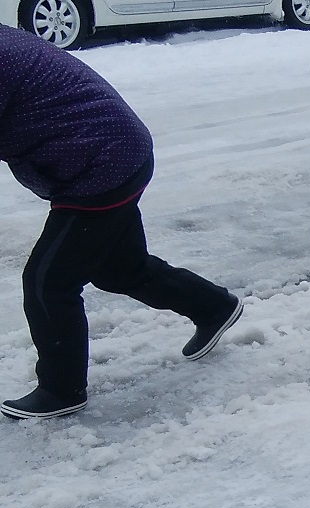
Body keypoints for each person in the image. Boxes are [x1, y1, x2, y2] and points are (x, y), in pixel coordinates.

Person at [0, 25, 243, 421]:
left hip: (101, 164)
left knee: (49, 281)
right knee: (120, 269)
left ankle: (61, 390)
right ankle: (214, 307)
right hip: (109, 153)